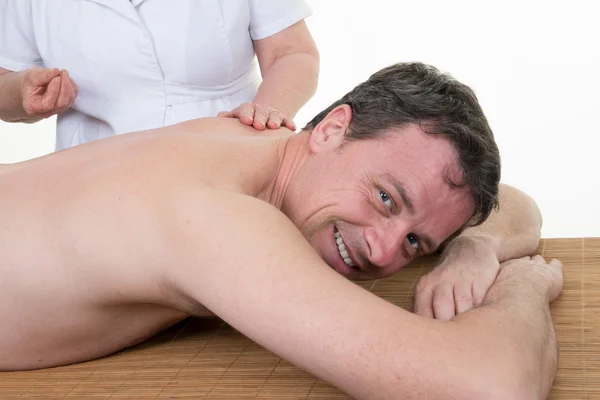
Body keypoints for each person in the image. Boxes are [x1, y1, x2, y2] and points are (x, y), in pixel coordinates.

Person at [0, 62, 561, 399]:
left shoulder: (260, 144)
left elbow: (512, 205)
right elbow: (490, 387)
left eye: (417, 242)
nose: (386, 251)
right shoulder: (220, 222)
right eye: (386, 199)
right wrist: (523, 289)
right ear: (333, 128)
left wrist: (474, 248)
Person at [0, 0, 319, 149]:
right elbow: (4, 86)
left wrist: (269, 111)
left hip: (229, 160)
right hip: (95, 187)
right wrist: (21, 94)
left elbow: (291, 52)